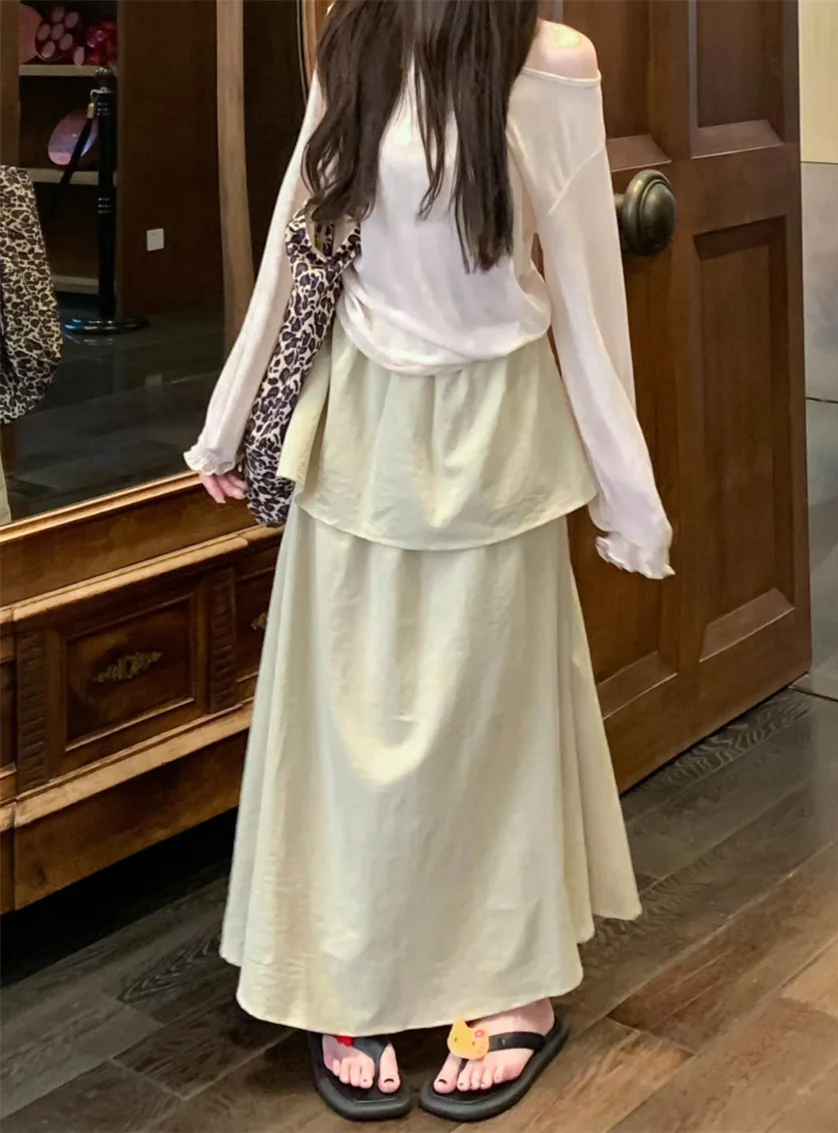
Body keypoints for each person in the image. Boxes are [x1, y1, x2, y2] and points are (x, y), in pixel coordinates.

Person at [186, 0, 672, 1122]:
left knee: (495, 727)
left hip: (496, 432)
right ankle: (349, 968)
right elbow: (296, 238)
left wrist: (627, 493)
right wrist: (229, 420)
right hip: (361, 428)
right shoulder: (351, 42)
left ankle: (511, 985)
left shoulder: (550, 62)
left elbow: (588, 292)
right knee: (349, 727)